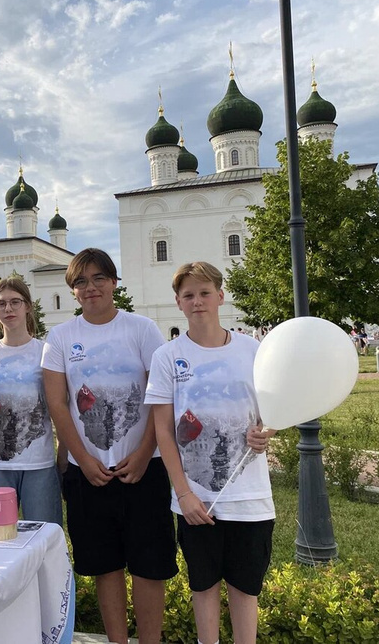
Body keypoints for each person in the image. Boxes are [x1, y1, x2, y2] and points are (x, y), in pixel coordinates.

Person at [41, 248, 177, 644]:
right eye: (80, 281)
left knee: (149, 566)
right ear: (73, 291)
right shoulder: (62, 337)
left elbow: (159, 395)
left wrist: (142, 452)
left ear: (114, 282)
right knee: (106, 565)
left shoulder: (141, 329)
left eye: (99, 278)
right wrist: (82, 460)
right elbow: (57, 402)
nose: (90, 287)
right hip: (90, 472)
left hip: (144, 468)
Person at [146, 261, 275, 644]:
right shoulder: (168, 357)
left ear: (220, 296)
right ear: (178, 303)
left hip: (251, 497)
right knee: (203, 586)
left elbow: (271, 411)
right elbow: (163, 430)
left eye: (204, 293)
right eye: (188, 295)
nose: (197, 301)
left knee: (245, 589)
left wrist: (267, 432)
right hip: (198, 501)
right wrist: (183, 493)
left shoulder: (253, 350)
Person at [0, 276, 62, 526]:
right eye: (1, 304)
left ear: (28, 306)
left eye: (15, 302)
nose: (8, 309)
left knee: (43, 533)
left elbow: (55, 406)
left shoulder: (45, 351)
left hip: (38, 461)